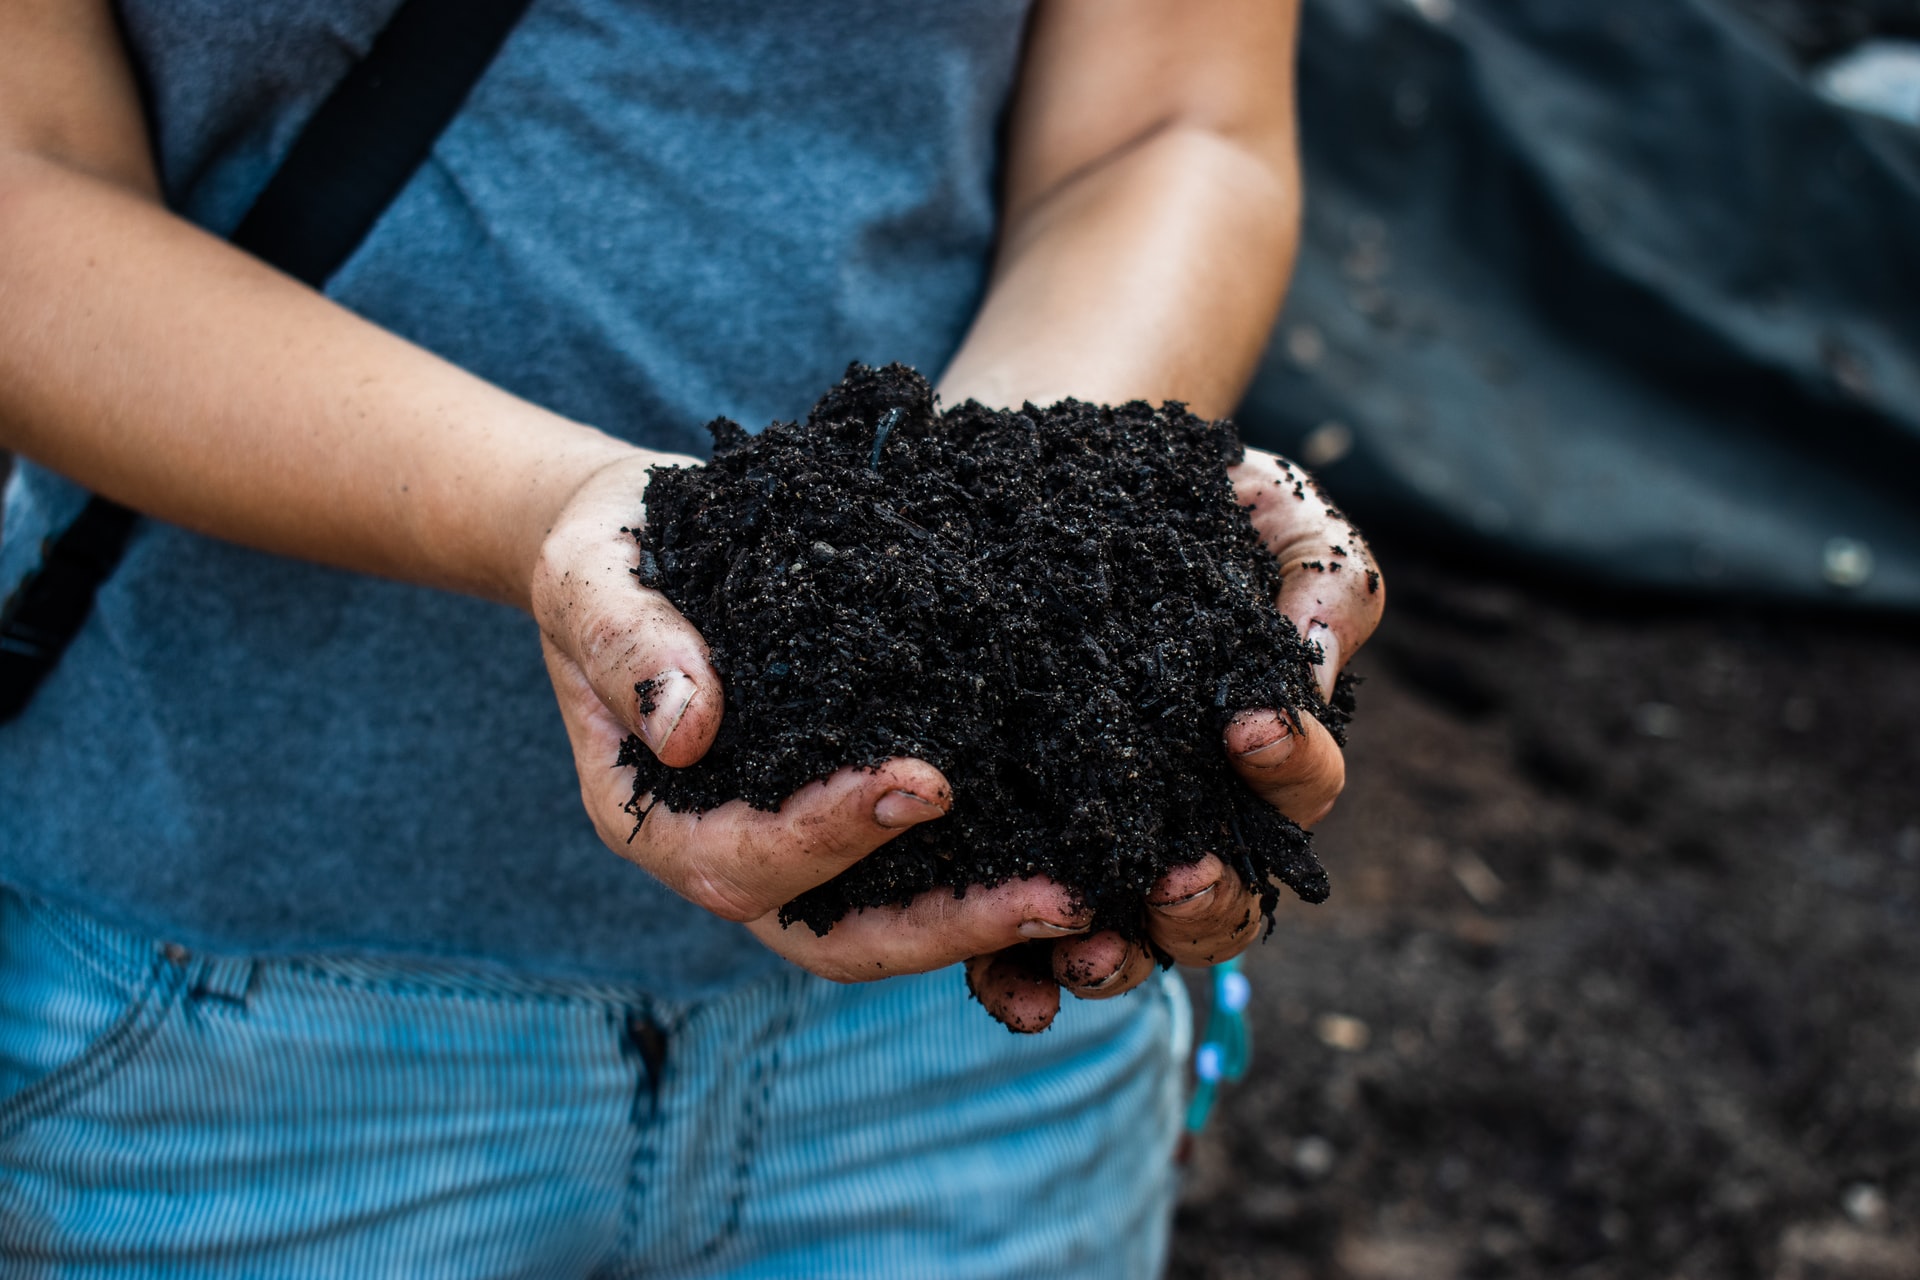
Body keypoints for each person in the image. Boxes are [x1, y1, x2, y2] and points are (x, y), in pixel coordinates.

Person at [0, 0, 1381, 1273]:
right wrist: (545, 514)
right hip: (209, 1030)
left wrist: (1033, 514)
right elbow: (27, 181)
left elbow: (1167, 125)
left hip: (963, 1033)